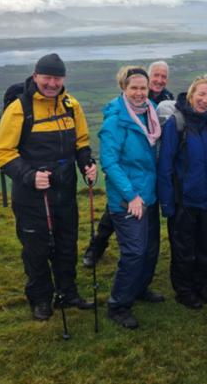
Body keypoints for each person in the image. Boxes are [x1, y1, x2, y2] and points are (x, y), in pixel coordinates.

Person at [0, 53, 97, 321]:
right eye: (47, 78)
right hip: (31, 196)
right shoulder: (19, 108)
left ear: (64, 78)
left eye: (57, 78)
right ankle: (40, 299)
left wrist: (86, 162)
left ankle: (67, 294)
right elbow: (3, 152)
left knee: (66, 244)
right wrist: (29, 176)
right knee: (36, 249)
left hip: (64, 191)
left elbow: (81, 141)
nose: (52, 83)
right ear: (36, 76)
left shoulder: (71, 105)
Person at [82, 60, 173, 268]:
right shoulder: (122, 110)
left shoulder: (162, 102)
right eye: (156, 75)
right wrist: (129, 190)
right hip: (129, 182)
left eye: (163, 77)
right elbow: (111, 158)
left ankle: (140, 270)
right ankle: (96, 249)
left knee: (144, 237)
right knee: (114, 217)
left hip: (148, 180)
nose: (159, 80)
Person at [98, 66, 164, 329]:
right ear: (123, 89)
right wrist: (131, 195)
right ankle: (118, 305)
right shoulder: (115, 121)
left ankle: (139, 289)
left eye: (143, 88)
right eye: (133, 88)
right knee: (134, 252)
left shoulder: (151, 113)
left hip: (149, 195)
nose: (139, 93)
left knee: (150, 250)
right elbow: (109, 162)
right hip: (128, 199)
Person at [158, 76, 207, 309]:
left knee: (205, 247)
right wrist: (167, 203)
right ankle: (184, 291)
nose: (205, 100)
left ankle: (203, 286)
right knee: (183, 250)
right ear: (191, 94)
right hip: (183, 200)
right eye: (201, 94)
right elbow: (165, 165)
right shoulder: (176, 123)